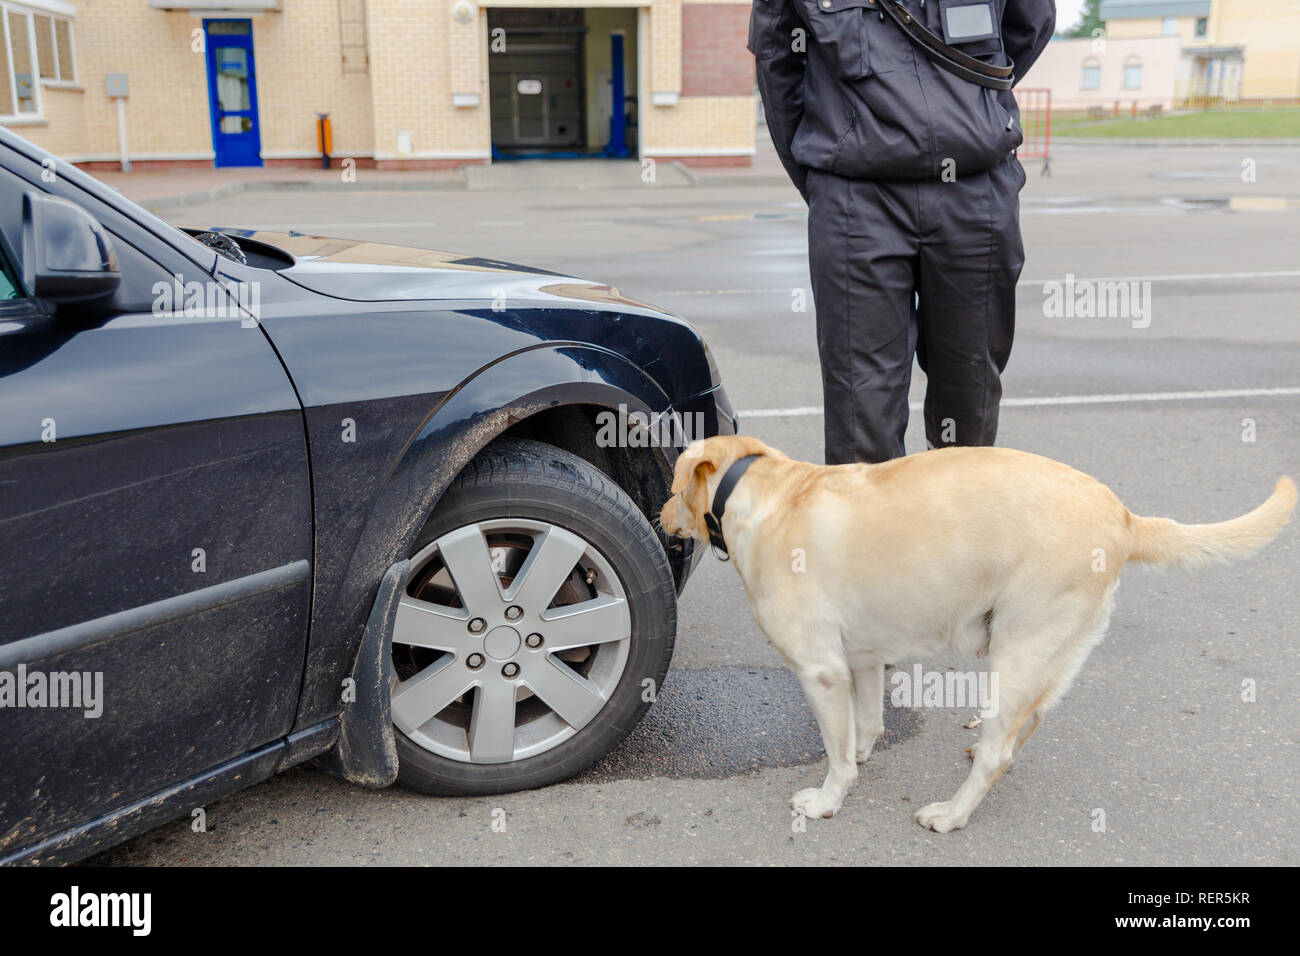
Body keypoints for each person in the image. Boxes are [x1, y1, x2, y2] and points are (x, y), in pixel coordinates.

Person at [749, 0, 1056, 464]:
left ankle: (955, 532)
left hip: (975, 192)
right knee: (861, 416)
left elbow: (1029, 24)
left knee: (968, 407)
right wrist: (828, 169)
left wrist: (966, 110)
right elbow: (778, 58)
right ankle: (873, 537)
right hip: (857, 198)